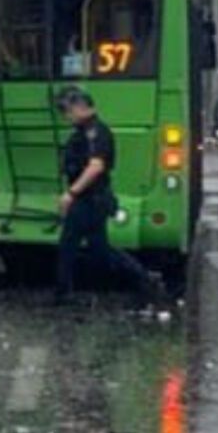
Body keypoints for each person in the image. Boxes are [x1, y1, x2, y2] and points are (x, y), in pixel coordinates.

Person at [55, 87, 154, 305]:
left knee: (68, 244)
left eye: (68, 111)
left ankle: (64, 293)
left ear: (81, 108)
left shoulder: (96, 132)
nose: (67, 117)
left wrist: (71, 194)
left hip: (90, 198)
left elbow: (96, 166)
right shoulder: (85, 132)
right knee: (100, 250)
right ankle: (143, 279)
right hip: (91, 198)